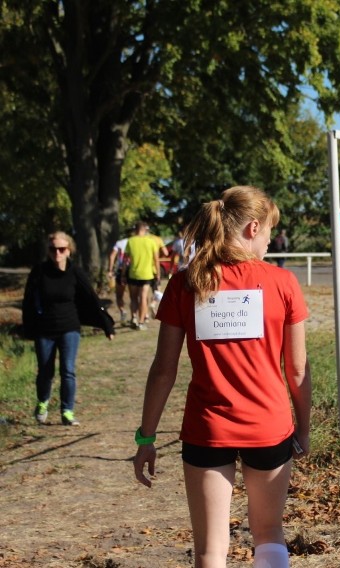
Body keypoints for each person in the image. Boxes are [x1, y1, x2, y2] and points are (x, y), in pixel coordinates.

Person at [133, 185, 312, 568]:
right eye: (268, 232)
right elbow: (296, 369)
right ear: (252, 228)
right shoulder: (283, 283)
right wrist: (305, 428)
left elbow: (164, 369)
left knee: (211, 550)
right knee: (268, 534)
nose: (268, 241)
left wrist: (146, 436)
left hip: (207, 429)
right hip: (269, 426)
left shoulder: (185, 283)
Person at [23, 231, 115, 427]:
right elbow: (28, 301)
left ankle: (67, 410)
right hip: (44, 329)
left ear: (69, 251)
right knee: (45, 372)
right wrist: (28, 328)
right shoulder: (39, 272)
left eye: (61, 249)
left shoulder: (75, 272)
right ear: (48, 251)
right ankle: (42, 402)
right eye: (53, 249)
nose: (57, 253)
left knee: (68, 370)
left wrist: (107, 324)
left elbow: (91, 299)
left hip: (69, 327)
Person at [125, 221, 161, 330]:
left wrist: (122, 274)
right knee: (143, 298)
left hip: (133, 273)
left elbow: (126, 260)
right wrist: (158, 274)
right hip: (146, 274)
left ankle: (134, 317)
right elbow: (156, 260)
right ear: (144, 230)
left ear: (135, 230)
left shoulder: (130, 241)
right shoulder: (151, 241)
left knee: (133, 298)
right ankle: (141, 322)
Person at [108, 234, 130, 323]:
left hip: (121, 270)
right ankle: (136, 316)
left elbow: (112, 256)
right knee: (135, 296)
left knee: (119, 295)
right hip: (134, 269)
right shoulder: (137, 241)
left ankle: (122, 311)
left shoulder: (120, 243)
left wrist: (110, 270)